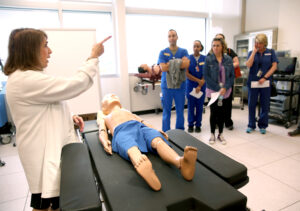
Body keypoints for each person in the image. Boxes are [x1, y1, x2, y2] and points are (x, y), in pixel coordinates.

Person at [4, 28, 111, 211]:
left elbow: (45, 109)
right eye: (45, 45)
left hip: (43, 149)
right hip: (40, 154)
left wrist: (69, 118)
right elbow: (75, 84)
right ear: (30, 49)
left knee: (48, 203)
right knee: (46, 205)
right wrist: (93, 57)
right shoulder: (25, 80)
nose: (50, 51)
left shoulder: (28, 78)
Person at [97, 94, 198, 191]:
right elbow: (102, 130)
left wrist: (156, 129)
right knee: (130, 147)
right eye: (108, 96)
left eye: (114, 95)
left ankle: (180, 162)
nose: (112, 96)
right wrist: (104, 140)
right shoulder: (104, 116)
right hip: (121, 130)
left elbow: (142, 121)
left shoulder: (127, 111)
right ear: (104, 108)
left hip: (140, 127)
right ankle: (141, 163)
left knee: (157, 140)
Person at [203, 38, 234, 145]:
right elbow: (206, 76)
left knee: (222, 113)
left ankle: (220, 134)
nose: (215, 47)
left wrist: (225, 87)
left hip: (225, 91)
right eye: (213, 45)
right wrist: (218, 88)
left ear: (222, 47)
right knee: (213, 112)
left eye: (217, 45)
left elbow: (231, 76)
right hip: (213, 91)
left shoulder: (229, 59)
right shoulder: (208, 59)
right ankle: (212, 134)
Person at [245, 33, 278, 134]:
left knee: (264, 104)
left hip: (265, 82)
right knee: (251, 104)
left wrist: (265, 77)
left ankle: (263, 125)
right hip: (253, 82)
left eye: (260, 43)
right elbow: (248, 65)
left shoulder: (271, 52)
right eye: (256, 42)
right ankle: (251, 124)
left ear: (265, 43)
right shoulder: (251, 52)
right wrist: (254, 52)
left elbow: (274, 67)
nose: (258, 45)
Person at [158, 29, 190, 132]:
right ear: (168, 38)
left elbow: (187, 64)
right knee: (166, 111)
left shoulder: (184, 51)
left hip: (180, 86)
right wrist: (179, 62)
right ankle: (166, 133)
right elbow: (162, 68)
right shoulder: (163, 52)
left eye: (173, 35)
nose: (171, 38)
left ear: (177, 37)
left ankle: (180, 132)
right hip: (166, 86)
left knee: (180, 111)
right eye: (169, 36)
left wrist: (169, 64)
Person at [215, 33, 240, 130]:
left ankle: (228, 121)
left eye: (221, 39)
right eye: (217, 39)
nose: (219, 41)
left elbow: (237, 63)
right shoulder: (213, 51)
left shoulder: (230, 51)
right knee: (217, 102)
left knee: (227, 102)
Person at [186, 40, 206, 133]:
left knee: (199, 106)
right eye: (194, 46)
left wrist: (200, 84)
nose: (196, 48)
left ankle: (198, 125)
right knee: (190, 106)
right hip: (191, 85)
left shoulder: (205, 58)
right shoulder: (188, 58)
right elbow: (186, 73)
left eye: (198, 46)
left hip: (202, 85)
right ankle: (190, 125)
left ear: (201, 47)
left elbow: (206, 73)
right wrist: (198, 81)